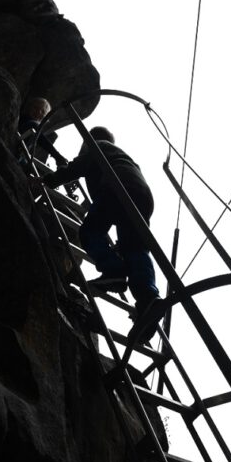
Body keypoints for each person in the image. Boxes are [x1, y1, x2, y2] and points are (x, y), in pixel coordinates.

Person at [43, 126, 164, 339]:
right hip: (141, 194)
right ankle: (148, 300)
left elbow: (77, 167)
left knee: (90, 231)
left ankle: (114, 271)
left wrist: (47, 181)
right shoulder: (121, 156)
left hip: (116, 187)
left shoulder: (96, 147)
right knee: (134, 249)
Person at [17, 97, 68, 169]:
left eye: (43, 111)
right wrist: (57, 156)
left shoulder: (35, 129)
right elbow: (40, 137)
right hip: (14, 145)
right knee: (33, 125)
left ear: (45, 118)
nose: (38, 112)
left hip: (19, 155)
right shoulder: (23, 119)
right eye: (35, 107)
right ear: (29, 107)